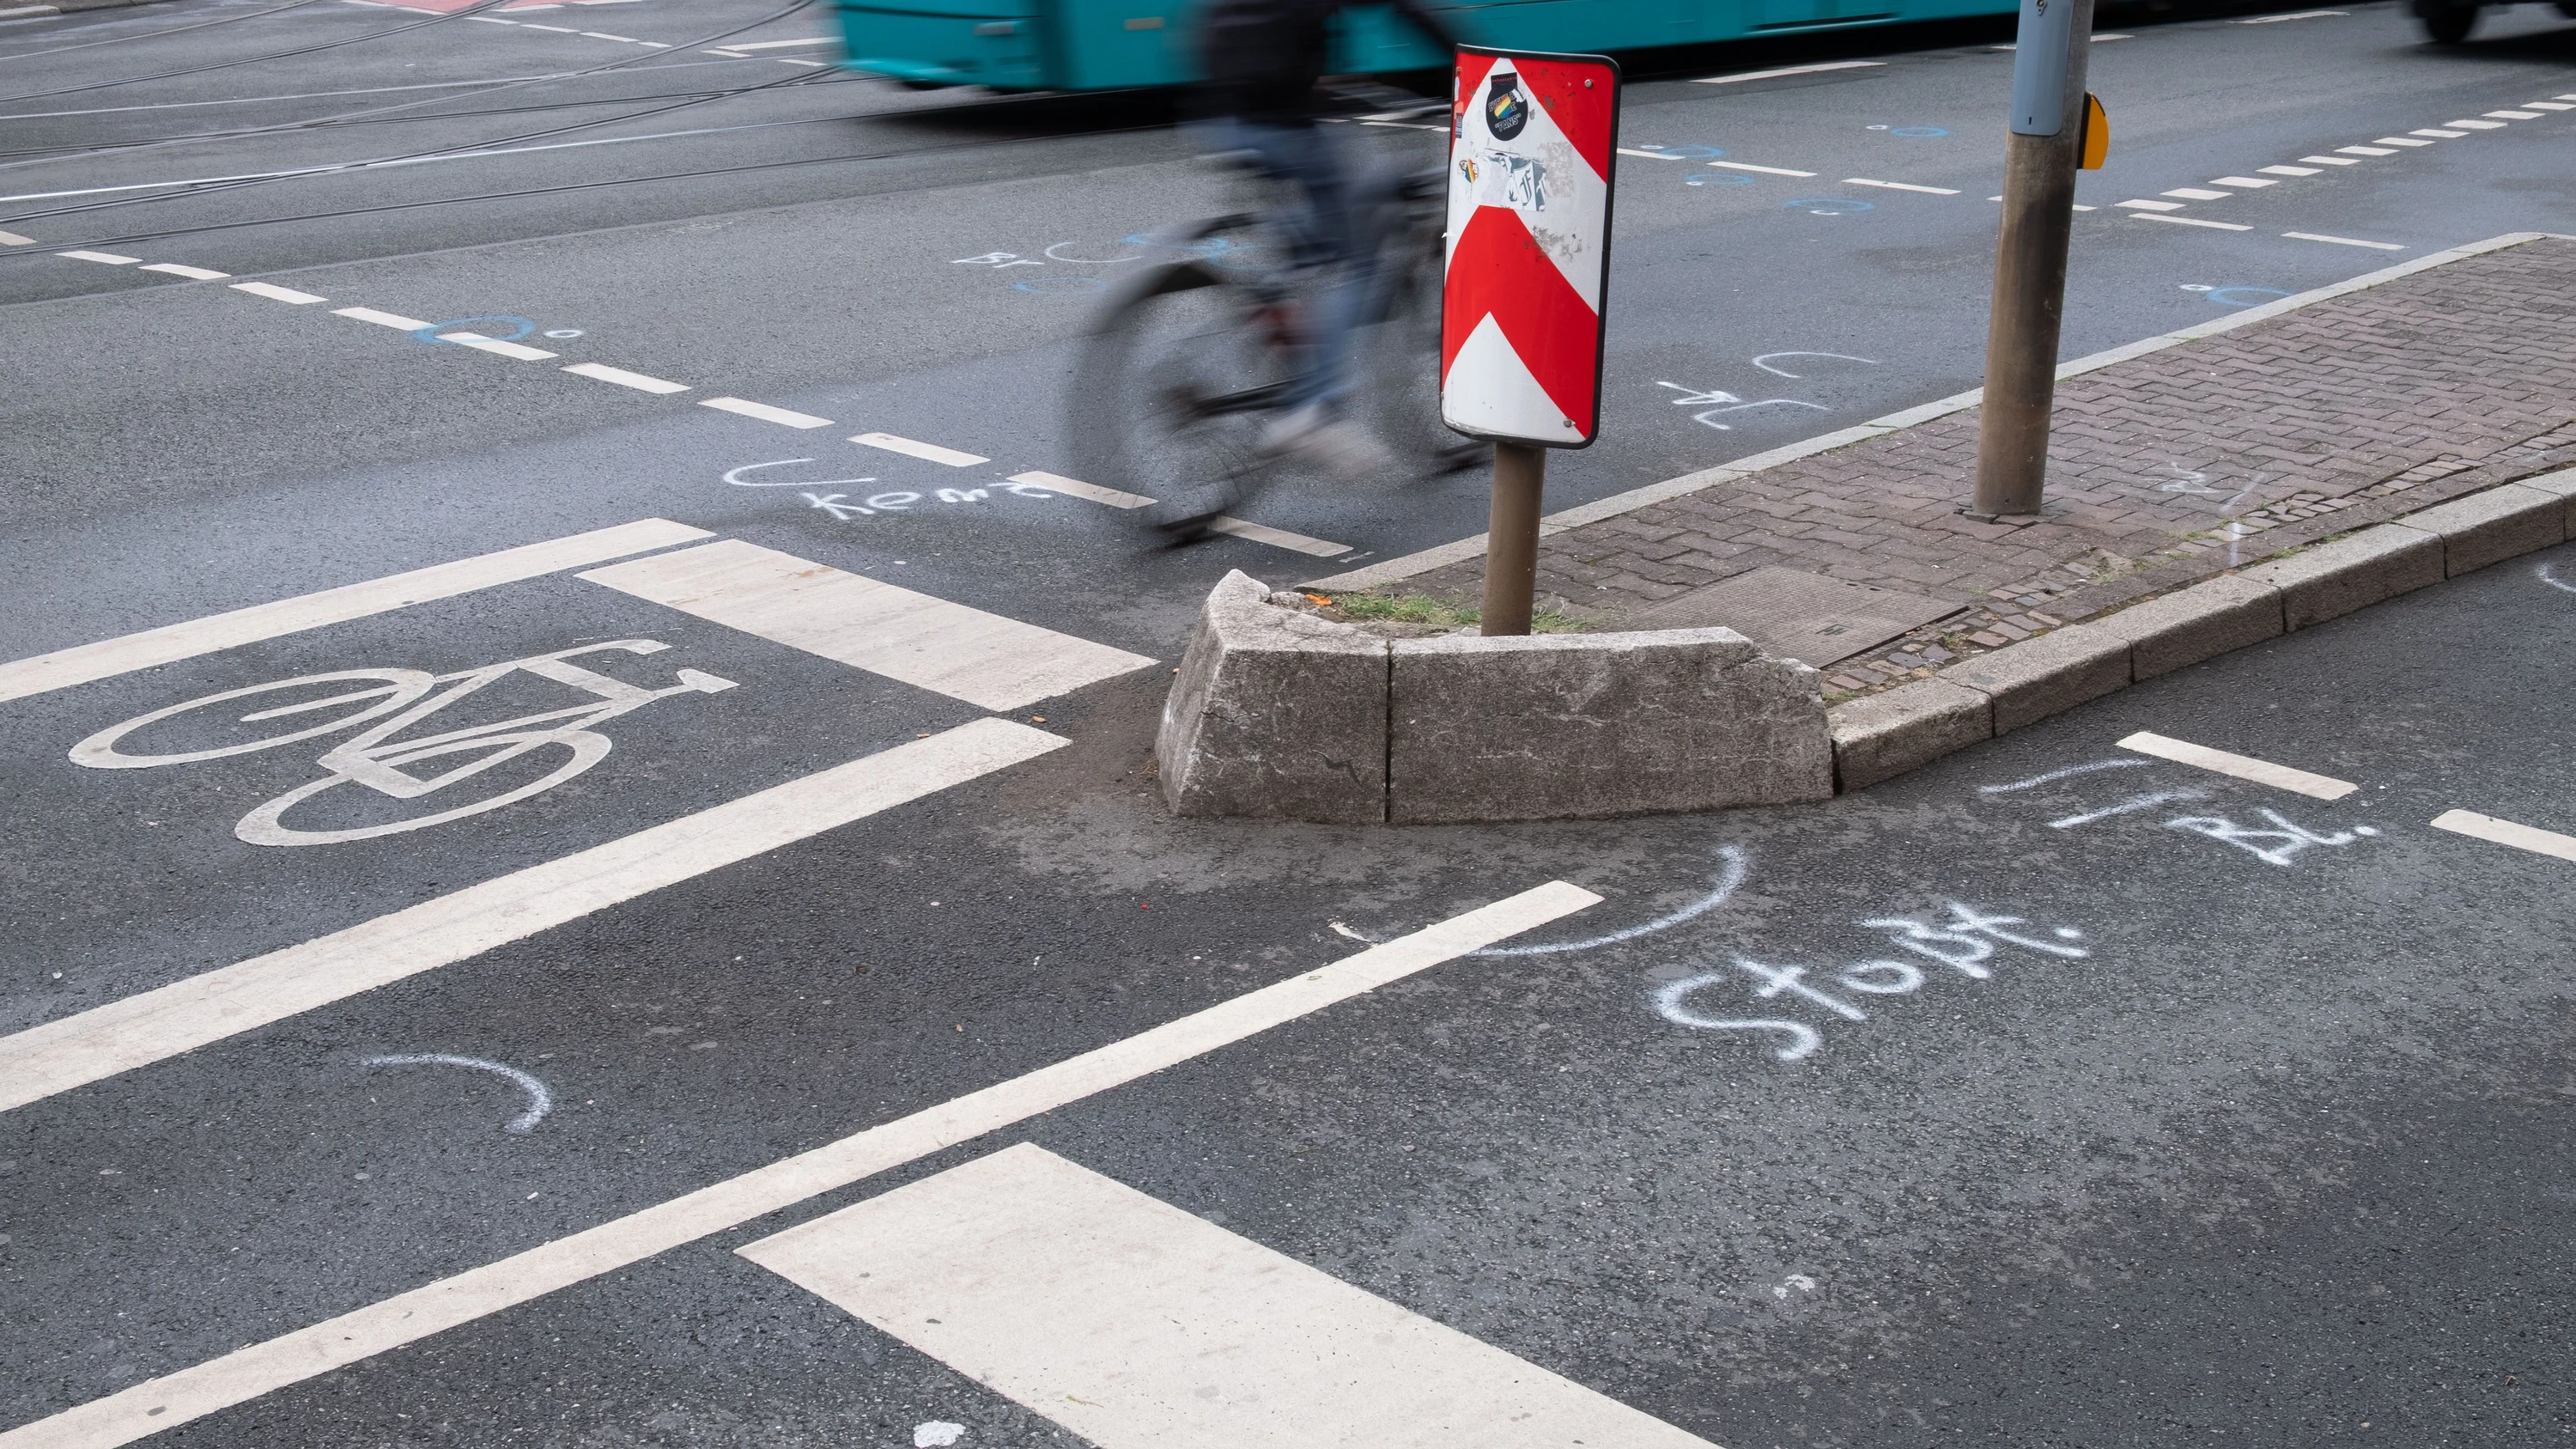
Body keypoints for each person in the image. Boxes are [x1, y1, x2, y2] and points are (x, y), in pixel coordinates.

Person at [1194, 0, 1459, 475]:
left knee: (1316, 243)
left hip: (1222, 116)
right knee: (1359, 263)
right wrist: (1475, 67)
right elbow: (1409, 10)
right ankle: (1313, 410)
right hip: (1283, 122)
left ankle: (1281, 303)